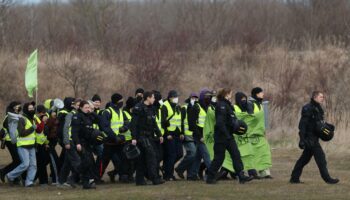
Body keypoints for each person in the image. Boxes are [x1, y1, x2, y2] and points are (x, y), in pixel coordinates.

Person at [290, 91, 339, 184]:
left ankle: (294, 178)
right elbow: (302, 125)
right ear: (315, 97)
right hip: (310, 139)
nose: (322, 98)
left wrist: (329, 126)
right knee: (321, 158)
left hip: (314, 138)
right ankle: (327, 179)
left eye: (323, 97)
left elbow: (319, 122)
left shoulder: (318, 108)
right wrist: (302, 140)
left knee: (304, 160)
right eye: (321, 97)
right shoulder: (308, 108)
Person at [206, 88, 253, 184]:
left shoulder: (228, 105)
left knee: (236, 155)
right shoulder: (221, 106)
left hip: (228, 136)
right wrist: (226, 134)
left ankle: (241, 176)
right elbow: (220, 123)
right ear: (225, 95)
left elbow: (230, 121)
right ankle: (210, 177)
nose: (231, 96)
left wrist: (235, 127)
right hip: (221, 137)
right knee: (219, 158)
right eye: (230, 94)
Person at [130, 91, 165, 186]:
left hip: (149, 136)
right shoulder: (138, 108)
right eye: (153, 97)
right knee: (152, 157)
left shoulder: (151, 109)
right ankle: (154, 178)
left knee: (142, 159)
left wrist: (159, 134)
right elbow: (133, 124)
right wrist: (133, 137)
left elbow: (154, 123)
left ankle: (140, 180)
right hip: (141, 137)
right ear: (148, 98)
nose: (154, 99)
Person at [6, 102, 38, 187]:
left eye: (33, 108)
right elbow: (22, 133)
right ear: (25, 109)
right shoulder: (22, 119)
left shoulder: (33, 118)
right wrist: (32, 128)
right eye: (30, 108)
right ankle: (10, 176)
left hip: (31, 146)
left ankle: (29, 182)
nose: (32, 110)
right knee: (25, 164)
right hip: (22, 146)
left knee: (33, 165)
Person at [101, 93, 130, 182]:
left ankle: (123, 176)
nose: (122, 102)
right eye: (121, 100)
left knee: (124, 159)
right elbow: (105, 127)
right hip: (109, 142)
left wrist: (123, 128)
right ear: (117, 101)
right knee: (104, 160)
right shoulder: (107, 112)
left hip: (120, 141)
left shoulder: (121, 112)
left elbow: (127, 122)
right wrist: (114, 136)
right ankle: (97, 177)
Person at [71, 100, 98, 189]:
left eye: (89, 107)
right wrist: (77, 143)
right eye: (86, 108)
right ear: (81, 108)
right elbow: (74, 132)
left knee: (89, 162)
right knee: (87, 161)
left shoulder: (89, 116)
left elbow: (98, 120)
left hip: (88, 143)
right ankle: (73, 177)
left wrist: (92, 112)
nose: (88, 109)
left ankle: (86, 183)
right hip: (80, 142)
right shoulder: (77, 117)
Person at [187, 89, 212, 180]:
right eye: (206, 96)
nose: (208, 98)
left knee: (198, 156)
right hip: (199, 135)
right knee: (206, 154)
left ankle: (192, 174)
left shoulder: (207, 107)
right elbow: (192, 124)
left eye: (209, 96)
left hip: (205, 135)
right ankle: (212, 173)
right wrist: (200, 136)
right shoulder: (196, 107)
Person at [249, 87, 272, 178]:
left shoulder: (260, 104)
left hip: (260, 134)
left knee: (265, 153)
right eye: (261, 93)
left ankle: (265, 173)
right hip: (251, 135)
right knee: (252, 154)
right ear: (256, 94)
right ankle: (252, 172)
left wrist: (263, 130)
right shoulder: (250, 104)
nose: (263, 94)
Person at [161, 90, 184, 181]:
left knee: (179, 154)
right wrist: (167, 134)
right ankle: (168, 175)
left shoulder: (178, 106)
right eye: (175, 97)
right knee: (172, 155)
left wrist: (182, 132)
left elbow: (180, 120)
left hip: (177, 134)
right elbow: (163, 122)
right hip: (169, 134)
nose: (176, 98)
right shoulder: (165, 106)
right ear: (170, 97)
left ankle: (166, 168)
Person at [175, 93, 198, 180]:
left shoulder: (197, 107)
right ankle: (179, 168)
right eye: (193, 98)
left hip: (194, 134)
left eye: (196, 98)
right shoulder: (184, 108)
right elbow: (181, 121)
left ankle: (190, 175)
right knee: (192, 153)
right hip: (186, 134)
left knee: (193, 154)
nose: (194, 100)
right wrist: (182, 132)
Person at [0, 101, 23, 183]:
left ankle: (15, 178)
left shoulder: (16, 116)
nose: (19, 107)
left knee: (17, 160)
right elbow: (12, 131)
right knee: (18, 160)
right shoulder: (10, 117)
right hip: (11, 141)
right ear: (14, 107)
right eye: (18, 105)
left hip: (15, 141)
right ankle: (3, 171)